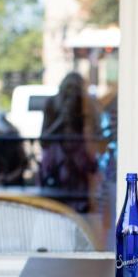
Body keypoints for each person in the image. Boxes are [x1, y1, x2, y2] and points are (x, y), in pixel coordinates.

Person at [39, 72, 99, 213]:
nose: (71, 95)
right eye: (68, 91)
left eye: (75, 91)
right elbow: (43, 139)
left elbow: (97, 135)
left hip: (80, 163)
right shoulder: (52, 104)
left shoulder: (87, 105)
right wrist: (62, 120)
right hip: (57, 163)